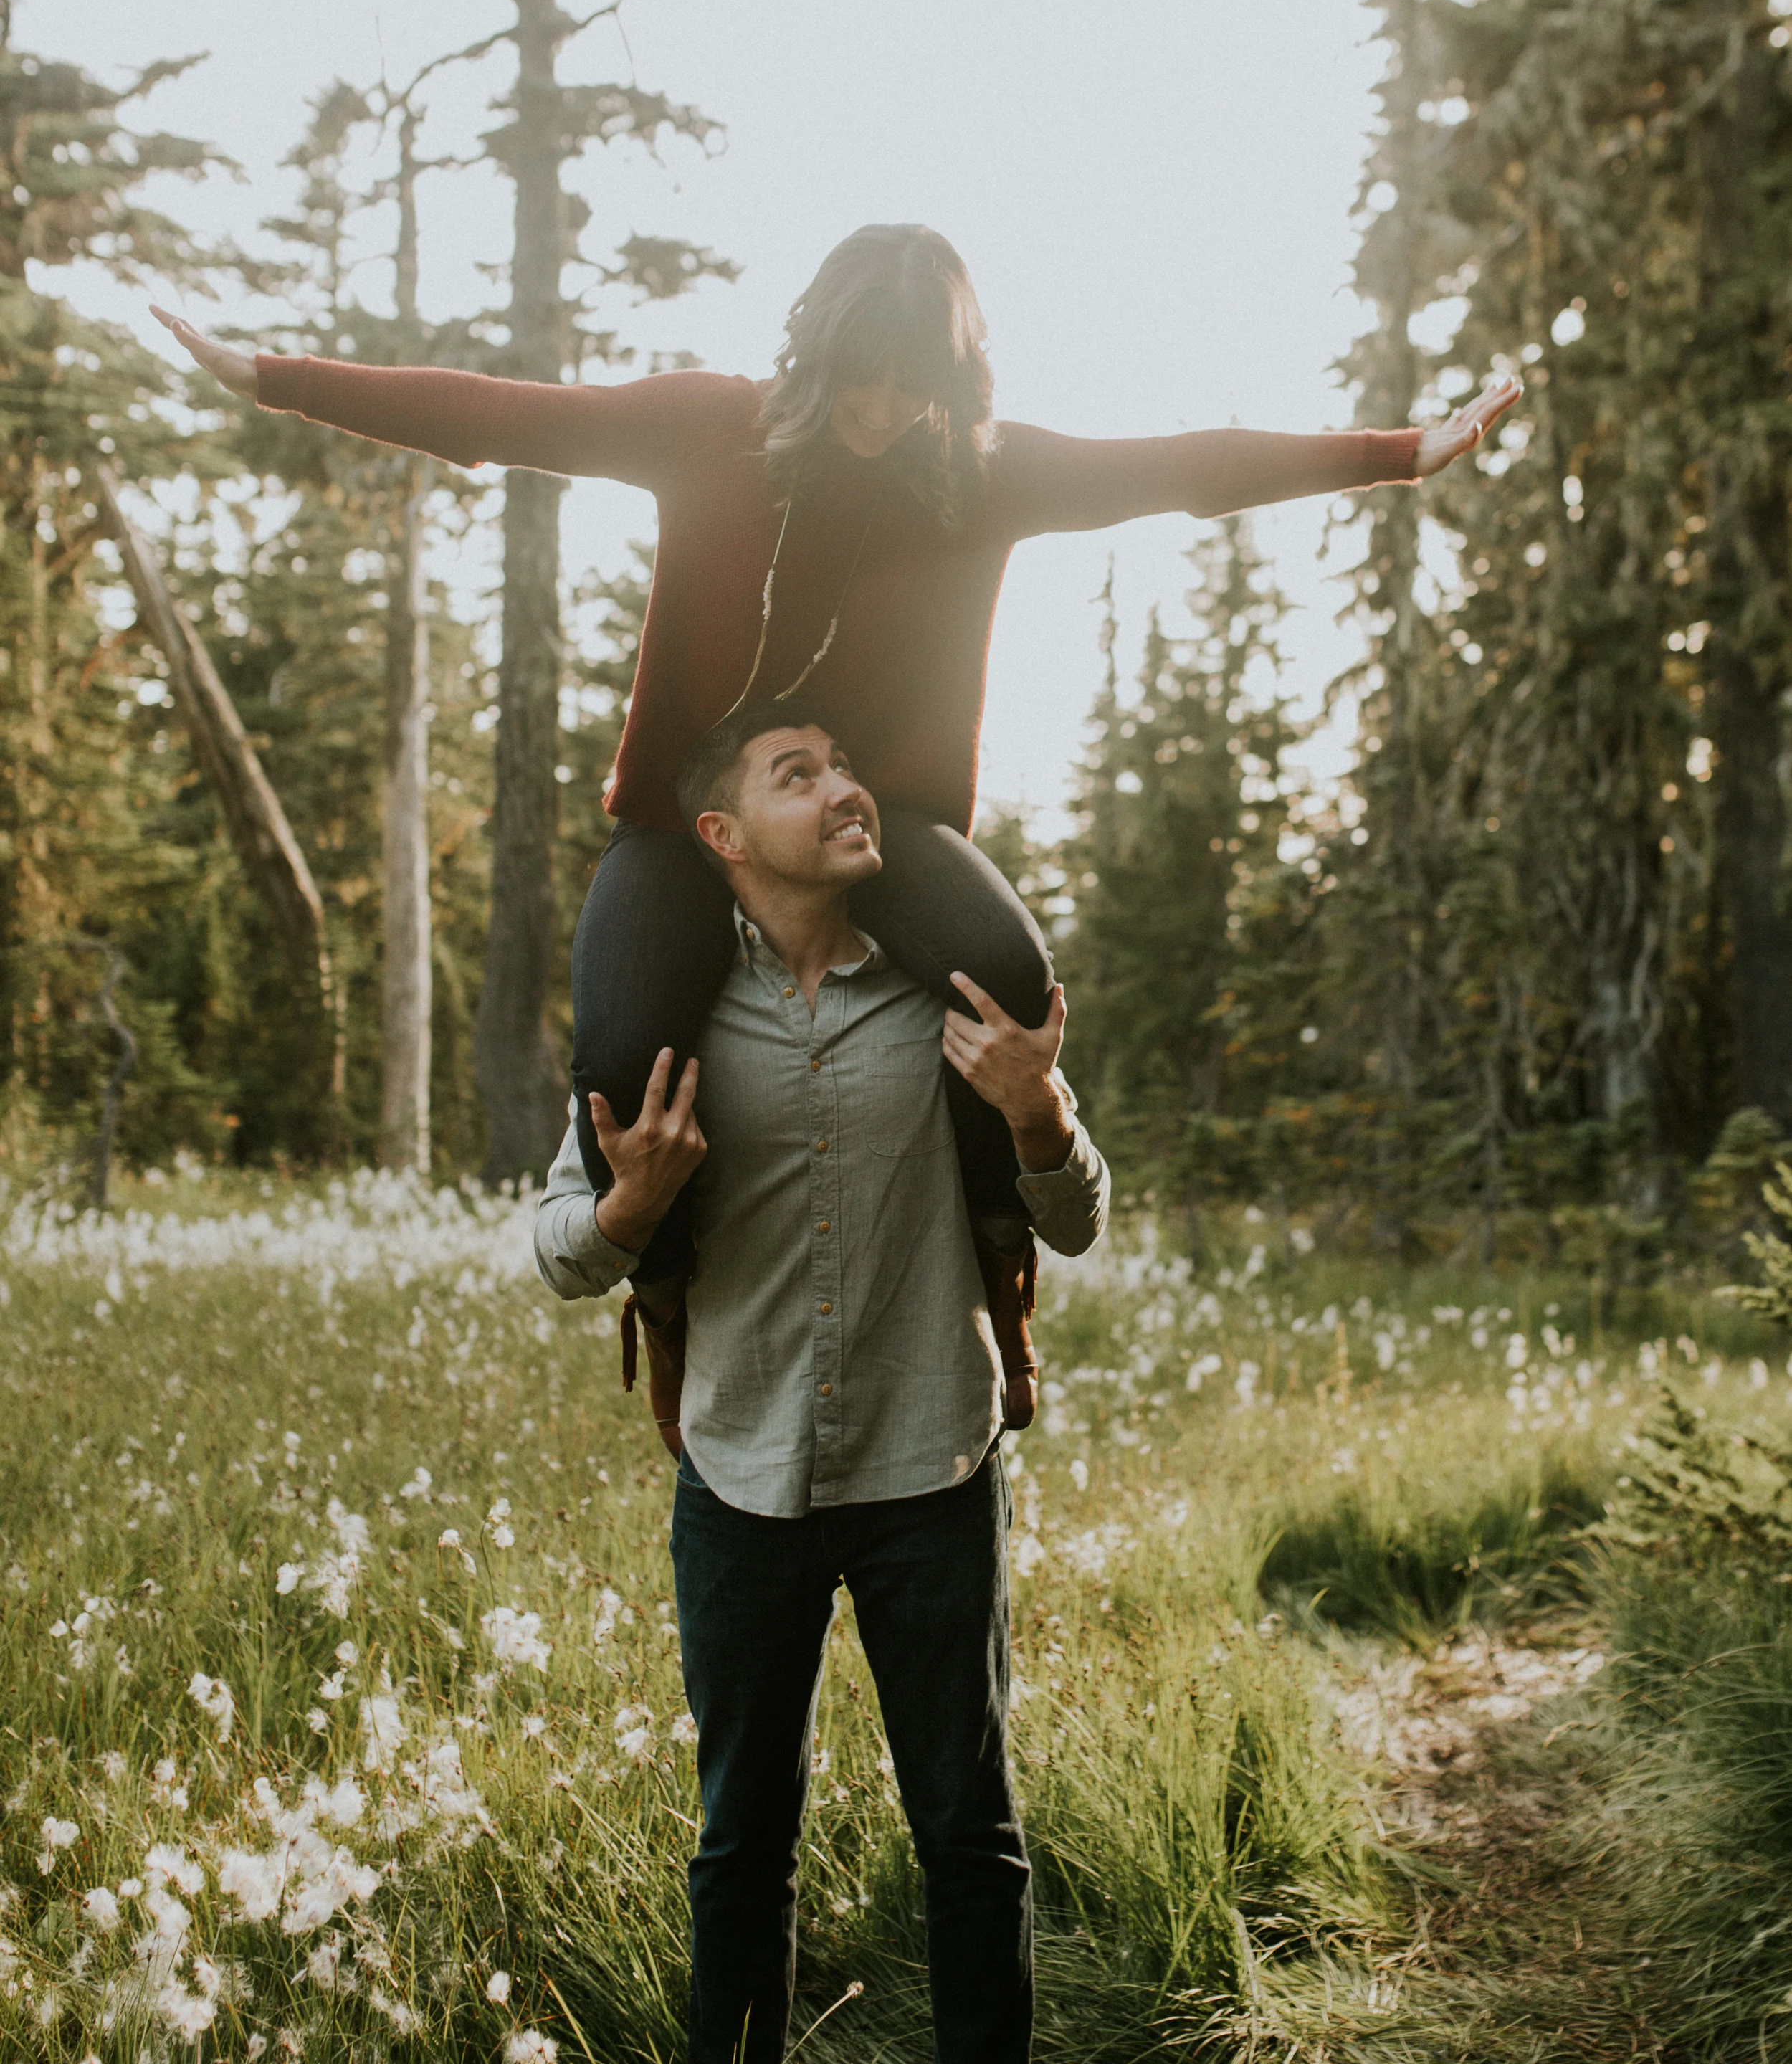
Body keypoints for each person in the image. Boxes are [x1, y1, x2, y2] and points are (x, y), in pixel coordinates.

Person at [153, 224, 1518, 1430]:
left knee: (1011, 982)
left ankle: (1001, 1264)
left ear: (955, 381)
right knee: (629, 1053)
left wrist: (1402, 453)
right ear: (818, 349)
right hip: (681, 825)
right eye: (866, 375)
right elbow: (500, 416)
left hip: (889, 821)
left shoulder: (979, 471)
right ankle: (671, 1302)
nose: (884, 409)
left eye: (917, 384)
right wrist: (271, 374)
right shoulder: (710, 428)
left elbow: (1185, 469)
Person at [532, 700, 1110, 2064]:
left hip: (933, 1461)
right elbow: (554, 1255)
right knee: (742, 1830)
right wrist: (626, 1211)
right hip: (738, 1472)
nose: (846, 787)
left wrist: (1035, 1111)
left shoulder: (940, 993)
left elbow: (1072, 1217)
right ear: (720, 837)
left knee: (965, 1822)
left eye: (844, 764)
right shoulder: (662, 1016)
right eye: (797, 775)